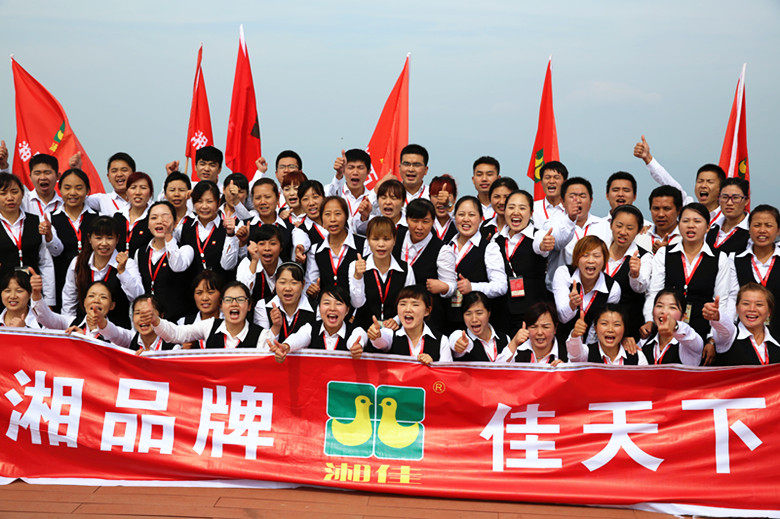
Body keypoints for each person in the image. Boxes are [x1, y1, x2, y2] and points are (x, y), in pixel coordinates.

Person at [644, 203, 733, 361]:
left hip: (702, 331)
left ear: (708, 227)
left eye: (697, 221)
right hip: (667, 329)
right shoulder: (664, 253)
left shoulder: (719, 258)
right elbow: (654, 293)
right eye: (685, 221)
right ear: (679, 225)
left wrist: (712, 339)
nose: (691, 225)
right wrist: (650, 321)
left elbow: (721, 301)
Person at [62, 216, 144, 329]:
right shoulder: (78, 262)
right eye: (98, 238)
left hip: (117, 330)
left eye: (109, 238)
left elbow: (137, 296)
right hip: (84, 329)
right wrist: (70, 325)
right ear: (89, 238)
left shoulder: (128, 264)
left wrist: (122, 271)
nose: (104, 243)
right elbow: (69, 299)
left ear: (117, 239)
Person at [441, 196, 507, 333]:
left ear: (481, 219)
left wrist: (473, 287)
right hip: (445, 320)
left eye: (471, 215)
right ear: (454, 217)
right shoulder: (445, 247)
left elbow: (501, 286)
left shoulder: (489, 248)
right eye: (461, 214)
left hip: (477, 324)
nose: (466, 219)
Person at [145, 281, 274, 350]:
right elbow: (177, 334)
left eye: (240, 299)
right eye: (228, 300)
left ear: (249, 305)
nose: (234, 304)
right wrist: (156, 321)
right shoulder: (210, 325)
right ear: (221, 305)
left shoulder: (263, 336)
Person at [492, 189, 552, 335]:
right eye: (511, 207)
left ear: (531, 213)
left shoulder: (538, 236)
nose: (516, 212)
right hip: (501, 313)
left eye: (522, 208)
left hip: (532, 315)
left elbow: (541, 246)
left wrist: (544, 244)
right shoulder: (496, 239)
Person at [634, 135, 725, 224]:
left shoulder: (726, 217)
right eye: (700, 181)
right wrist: (648, 158)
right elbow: (668, 181)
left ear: (721, 189)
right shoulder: (688, 208)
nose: (703, 185)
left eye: (710, 182)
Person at [393, 198, 453, 332]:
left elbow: (451, 286)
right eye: (415, 221)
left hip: (426, 319)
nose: (419, 227)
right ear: (406, 219)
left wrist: (444, 287)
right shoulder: (394, 238)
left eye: (425, 222)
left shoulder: (442, 250)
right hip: (393, 314)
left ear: (433, 221)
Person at [541, 176, 610, 290]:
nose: (577, 200)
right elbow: (557, 243)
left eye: (582, 196)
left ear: (591, 201)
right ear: (562, 202)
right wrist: (571, 219)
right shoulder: (551, 223)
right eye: (572, 196)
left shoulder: (605, 226)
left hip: (594, 291)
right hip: (560, 290)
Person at [0, 172, 56, 307]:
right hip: (4, 293)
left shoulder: (36, 221)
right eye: (3, 193)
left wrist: (49, 300)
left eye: (14, 192)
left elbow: (45, 263)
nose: (10, 198)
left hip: (33, 292)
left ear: (22, 194)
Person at [552, 236, 620, 345]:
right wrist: (572, 305)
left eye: (596, 256)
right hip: (559, 344)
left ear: (604, 260)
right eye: (585, 255)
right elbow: (562, 317)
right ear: (577, 258)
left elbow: (602, 326)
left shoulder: (612, 288)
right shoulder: (564, 274)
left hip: (590, 346)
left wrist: (587, 350)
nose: (591, 260)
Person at [350, 216, 415, 328]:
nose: (381, 244)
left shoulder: (405, 269)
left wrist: (397, 320)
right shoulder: (356, 266)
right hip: (364, 328)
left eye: (386, 239)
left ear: (394, 240)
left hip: (395, 328)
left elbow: (410, 302)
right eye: (375, 239)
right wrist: (358, 277)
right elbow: (357, 303)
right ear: (368, 240)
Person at [135, 201, 194, 322]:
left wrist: (168, 237)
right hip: (148, 321)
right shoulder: (140, 253)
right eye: (154, 218)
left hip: (177, 322)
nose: (159, 221)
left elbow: (177, 266)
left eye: (165, 217)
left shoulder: (185, 249)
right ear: (148, 224)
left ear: (176, 222)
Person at [49, 168, 99, 310]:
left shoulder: (98, 217)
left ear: (87, 190)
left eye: (78, 188)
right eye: (67, 188)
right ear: (59, 189)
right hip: (61, 280)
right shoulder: (50, 218)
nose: (72, 193)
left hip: (92, 281)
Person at [729, 204, 780, 338]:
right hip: (745, 334)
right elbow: (733, 298)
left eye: (768, 225)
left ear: (778, 230)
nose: (762, 230)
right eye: (757, 225)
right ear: (749, 229)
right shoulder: (735, 259)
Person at [367, 285, 452, 364]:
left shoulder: (441, 341)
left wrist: (432, 366)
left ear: (427, 311)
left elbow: (446, 373)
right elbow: (380, 341)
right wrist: (375, 335)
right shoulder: (391, 335)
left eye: (415, 304)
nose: (407, 309)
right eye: (403, 304)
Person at [178, 180, 239, 285]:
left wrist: (230, 234)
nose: (204, 206)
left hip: (221, 289)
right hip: (193, 290)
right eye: (199, 201)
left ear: (218, 202)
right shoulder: (185, 227)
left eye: (209, 201)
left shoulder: (229, 228)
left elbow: (228, 265)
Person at [605, 205, 652, 339]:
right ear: (611, 225)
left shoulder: (645, 257)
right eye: (619, 226)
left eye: (630, 228)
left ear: (639, 231)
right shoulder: (598, 250)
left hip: (627, 330)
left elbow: (641, 288)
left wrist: (635, 274)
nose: (623, 232)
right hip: (595, 325)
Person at [306, 197, 364, 299]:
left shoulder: (364, 244)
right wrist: (312, 290)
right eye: (327, 214)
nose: (332, 219)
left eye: (337, 214)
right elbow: (311, 283)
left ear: (346, 216)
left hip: (356, 307)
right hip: (327, 307)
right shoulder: (315, 250)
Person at [287, 285, 366, 358]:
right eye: (327, 303)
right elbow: (299, 337)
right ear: (319, 308)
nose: (332, 308)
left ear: (347, 310)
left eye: (338, 304)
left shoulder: (355, 330)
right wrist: (286, 346)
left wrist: (355, 347)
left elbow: (357, 339)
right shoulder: (310, 328)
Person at [711, 283, 780, 365]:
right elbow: (723, 327)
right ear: (737, 308)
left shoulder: (777, 341)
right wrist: (717, 317)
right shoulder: (730, 336)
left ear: (769, 311)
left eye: (759, 304)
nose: (752, 309)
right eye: (746, 304)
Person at [255, 262, 316, 349]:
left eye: (294, 283)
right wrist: (275, 327)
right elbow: (262, 347)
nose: (288, 288)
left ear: (303, 285)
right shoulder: (263, 306)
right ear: (275, 283)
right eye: (282, 282)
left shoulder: (316, 308)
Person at [447, 291, 519, 362]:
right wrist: (458, 344)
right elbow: (455, 338)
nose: (474, 319)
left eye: (479, 313)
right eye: (468, 314)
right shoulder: (462, 337)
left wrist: (514, 343)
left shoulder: (505, 338)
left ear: (489, 313)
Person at [638, 289, 704, 365]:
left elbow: (691, 336)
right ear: (652, 312)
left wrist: (675, 326)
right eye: (659, 306)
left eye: (672, 307)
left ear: (683, 316)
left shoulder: (688, 345)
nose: (664, 311)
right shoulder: (644, 342)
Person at [567, 304, 648, 365]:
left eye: (617, 324)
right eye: (604, 323)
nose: (610, 329)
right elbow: (575, 356)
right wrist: (575, 335)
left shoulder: (637, 357)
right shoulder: (587, 353)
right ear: (595, 327)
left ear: (624, 328)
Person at [237, 224, 284, 306]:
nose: (267, 248)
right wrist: (254, 261)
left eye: (273, 244)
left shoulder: (287, 266)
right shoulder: (247, 263)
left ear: (281, 247)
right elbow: (242, 295)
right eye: (262, 244)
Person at [178, 270, 224, 349]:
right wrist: (182, 350)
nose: (204, 298)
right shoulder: (183, 324)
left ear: (221, 295)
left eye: (210, 292)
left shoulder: (229, 322)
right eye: (199, 293)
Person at [328, 148, 376, 221]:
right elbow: (330, 197)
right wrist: (339, 174)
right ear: (343, 171)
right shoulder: (332, 191)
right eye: (350, 168)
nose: (355, 172)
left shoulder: (372, 200)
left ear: (369, 171)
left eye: (360, 168)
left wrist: (364, 217)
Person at [706, 177, 750, 254]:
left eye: (735, 198)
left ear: (746, 201)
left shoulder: (751, 231)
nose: (729, 203)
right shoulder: (712, 228)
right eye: (725, 197)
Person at [114, 171, 154, 256]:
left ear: (150, 193)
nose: (138, 192)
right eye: (133, 187)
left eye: (143, 188)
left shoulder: (154, 218)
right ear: (127, 192)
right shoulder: (118, 216)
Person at [635, 185, 683, 254]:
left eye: (667, 209)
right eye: (656, 208)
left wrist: (666, 253)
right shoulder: (639, 236)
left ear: (679, 210)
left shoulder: (687, 238)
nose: (661, 214)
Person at [22, 154, 62, 219]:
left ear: (58, 176)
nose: (42, 177)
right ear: (30, 177)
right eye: (37, 173)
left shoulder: (65, 204)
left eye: (47, 173)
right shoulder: (22, 201)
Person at [532, 161, 567, 227]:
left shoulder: (572, 210)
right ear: (541, 182)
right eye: (547, 177)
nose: (551, 181)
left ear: (565, 182)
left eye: (556, 177)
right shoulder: (532, 208)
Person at [428, 175, 457, 243]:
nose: (441, 201)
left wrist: (448, 205)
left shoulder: (459, 221)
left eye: (447, 196)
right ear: (429, 198)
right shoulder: (424, 221)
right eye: (436, 196)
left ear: (455, 198)